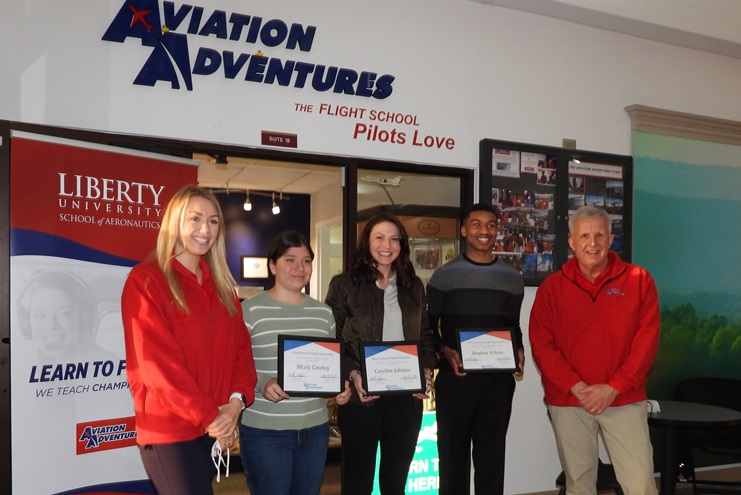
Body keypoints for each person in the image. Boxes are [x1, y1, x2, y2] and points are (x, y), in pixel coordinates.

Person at [121, 184, 257, 495]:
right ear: (175, 222)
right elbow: (158, 367)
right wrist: (215, 418)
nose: (204, 229)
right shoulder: (146, 281)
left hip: (213, 428)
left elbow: (241, 353)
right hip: (170, 433)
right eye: (195, 218)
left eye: (213, 221)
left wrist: (234, 407)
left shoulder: (224, 289)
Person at [529, 205, 660, 495]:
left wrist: (614, 387)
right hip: (569, 401)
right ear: (572, 242)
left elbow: (647, 341)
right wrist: (576, 387)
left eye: (599, 235)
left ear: (610, 240)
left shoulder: (639, 281)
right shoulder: (551, 287)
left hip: (623, 399)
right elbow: (542, 345)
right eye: (585, 235)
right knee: (580, 484)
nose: (593, 243)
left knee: (640, 484)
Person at [325, 213, 437, 495]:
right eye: (379, 237)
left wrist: (425, 371)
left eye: (394, 238)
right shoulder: (344, 285)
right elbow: (331, 339)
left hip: (405, 399)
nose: (387, 245)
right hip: (361, 397)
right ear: (367, 242)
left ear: (402, 244)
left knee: (395, 482)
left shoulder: (414, 286)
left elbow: (425, 336)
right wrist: (352, 374)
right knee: (358, 481)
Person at [239, 230, 352, 495]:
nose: (299, 268)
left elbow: (328, 365)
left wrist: (340, 387)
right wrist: (263, 385)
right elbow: (235, 366)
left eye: (306, 261)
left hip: (314, 430)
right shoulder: (250, 310)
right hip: (265, 432)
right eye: (290, 260)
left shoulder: (323, 314)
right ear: (272, 265)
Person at [427, 202, 525, 495]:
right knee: (452, 459)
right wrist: (445, 351)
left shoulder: (512, 278)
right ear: (464, 229)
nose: (485, 231)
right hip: (456, 381)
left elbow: (513, 326)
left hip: (498, 383)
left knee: (492, 458)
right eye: (477, 224)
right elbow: (429, 329)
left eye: (491, 225)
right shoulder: (444, 276)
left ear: (498, 230)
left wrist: (519, 350)